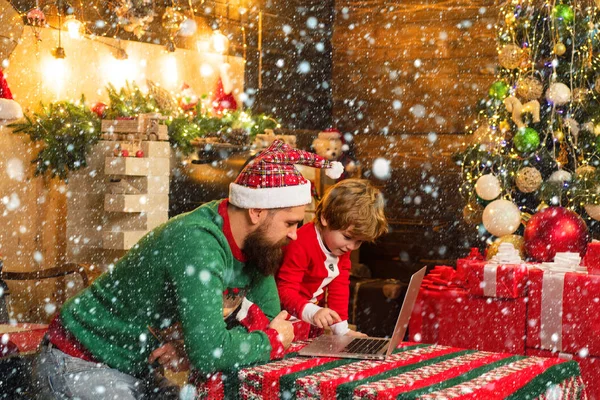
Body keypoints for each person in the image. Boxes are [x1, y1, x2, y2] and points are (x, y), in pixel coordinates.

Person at [31, 140, 344, 399]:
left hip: (139, 365)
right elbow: (217, 351)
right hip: (83, 359)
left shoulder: (257, 247)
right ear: (257, 211)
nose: (294, 235)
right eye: (290, 223)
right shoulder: (198, 242)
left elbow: (270, 318)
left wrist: (195, 345)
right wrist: (268, 342)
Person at [276, 179, 388, 337]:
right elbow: (284, 291)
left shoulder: (341, 247)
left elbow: (339, 286)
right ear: (325, 218)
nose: (351, 247)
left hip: (311, 319)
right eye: (348, 237)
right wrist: (313, 312)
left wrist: (341, 330)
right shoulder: (301, 244)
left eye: (359, 241)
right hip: (283, 319)